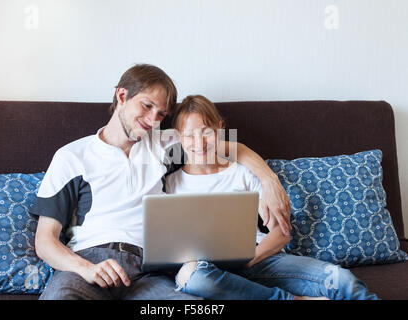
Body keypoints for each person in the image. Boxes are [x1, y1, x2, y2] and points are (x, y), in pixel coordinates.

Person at [30, 64, 293, 300]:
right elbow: (45, 241)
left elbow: (234, 149)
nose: (153, 120)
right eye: (147, 106)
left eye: (161, 114)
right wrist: (85, 269)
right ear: (122, 96)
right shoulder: (72, 156)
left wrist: (269, 181)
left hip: (150, 271)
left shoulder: (163, 144)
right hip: (90, 263)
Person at [165, 94, 379, 300]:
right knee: (196, 278)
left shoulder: (242, 173)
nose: (199, 143)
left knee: (341, 280)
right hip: (208, 270)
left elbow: (282, 233)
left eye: (206, 132)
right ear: (177, 137)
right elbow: (170, 245)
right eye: (189, 135)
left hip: (260, 260)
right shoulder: (171, 183)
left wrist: (249, 261)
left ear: (220, 129)